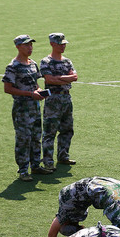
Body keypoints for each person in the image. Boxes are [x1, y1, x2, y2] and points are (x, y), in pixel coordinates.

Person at [2, 34, 47, 181]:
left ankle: (35, 165)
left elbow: (36, 83)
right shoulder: (13, 66)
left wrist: (39, 91)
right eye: (26, 45)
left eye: (31, 44)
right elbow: (7, 88)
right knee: (23, 139)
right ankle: (22, 170)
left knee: (36, 137)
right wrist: (29, 94)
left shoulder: (33, 63)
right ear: (18, 47)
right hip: (22, 108)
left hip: (35, 106)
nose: (30, 47)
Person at [39, 33, 78, 169]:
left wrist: (59, 78)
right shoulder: (46, 61)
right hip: (53, 98)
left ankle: (63, 156)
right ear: (52, 44)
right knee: (50, 131)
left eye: (64, 44)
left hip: (66, 97)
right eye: (60, 44)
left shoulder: (67, 61)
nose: (63, 46)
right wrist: (66, 78)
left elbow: (75, 77)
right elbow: (49, 80)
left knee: (67, 128)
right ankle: (48, 162)